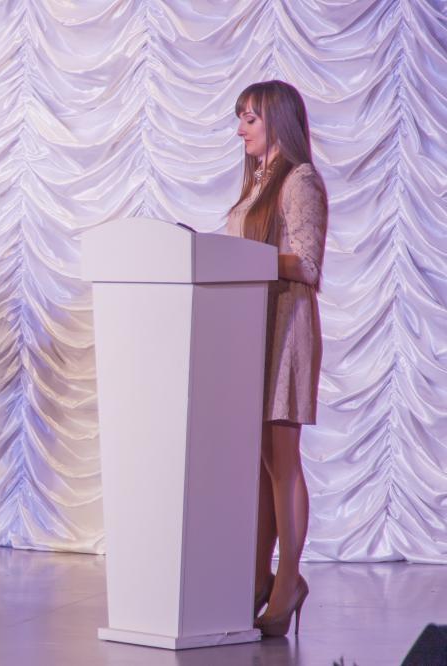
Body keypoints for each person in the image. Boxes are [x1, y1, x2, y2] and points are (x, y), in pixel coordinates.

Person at [227, 80, 328, 636]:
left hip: (286, 328)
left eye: (250, 118)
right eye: (239, 118)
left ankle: (289, 582)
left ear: (278, 122)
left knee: (283, 460)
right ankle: (256, 577)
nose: (240, 129)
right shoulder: (258, 183)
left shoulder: (300, 180)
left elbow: (307, 263)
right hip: (253, 329)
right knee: (262, 462)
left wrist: (246, 259)